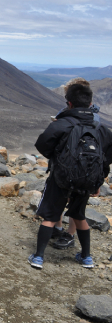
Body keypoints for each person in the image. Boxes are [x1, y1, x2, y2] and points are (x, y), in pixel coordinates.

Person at [28, 83, 112, 269]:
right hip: (87, 179)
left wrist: (57, 158)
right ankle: (87, 258)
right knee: (79, 216)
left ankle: (39, 257)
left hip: (61, 178)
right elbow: (107, 157)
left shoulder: (63, 123)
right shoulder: (101, 128)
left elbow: (42, 144)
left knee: (50, 216)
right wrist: (99, 179)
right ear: (91, 104)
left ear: (69, 104)